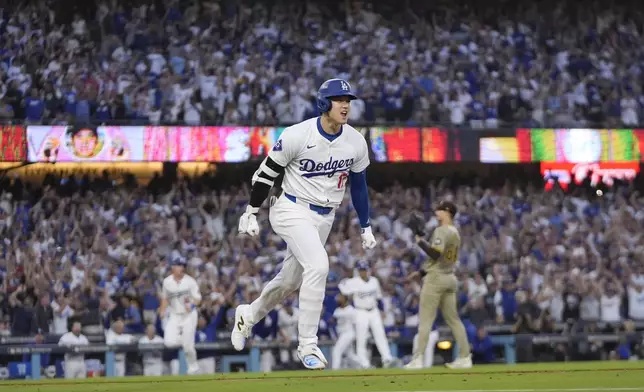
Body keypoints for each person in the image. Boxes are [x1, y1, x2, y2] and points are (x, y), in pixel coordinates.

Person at [233, 78, 376, 370]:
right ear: (325, 103)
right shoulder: (298, 134)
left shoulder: (356, 141)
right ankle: (308, 345)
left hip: (325, 217)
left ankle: (248, 315)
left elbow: (359, 186)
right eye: (339, 99)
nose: (345, 105)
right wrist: (250, 210)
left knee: (289, 282)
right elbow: (266, 174)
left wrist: (366, 225)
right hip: (290, 208)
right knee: (319, 266)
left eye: (348, 100)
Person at [404, 201, 472, 369]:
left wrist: (420, 241)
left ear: (447, 212)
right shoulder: (455, 232)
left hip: (435, 279)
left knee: (426, 320)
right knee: (454, 320)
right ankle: (465, 357)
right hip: (449, 277)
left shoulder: (441, 230)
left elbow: (435, 254)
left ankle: (418, 358)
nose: (436, 212)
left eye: (440, 209)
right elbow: (440, 259)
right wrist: (420, 272)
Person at [339, 262, 396, 368]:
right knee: (361, 338)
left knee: (380, 335)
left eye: (364, 270)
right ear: (358, 271)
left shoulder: (374, 281)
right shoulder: (353, 282)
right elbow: (342, 288)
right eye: (361, 270)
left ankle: (387, 358)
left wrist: (382, 310)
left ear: (368, 270)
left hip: (374, 311)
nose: (363, 272)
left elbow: (379, 298)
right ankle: (363, 363)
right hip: (360, 311)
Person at [159, 258, 202, 374]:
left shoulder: (190, 281)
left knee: (188, 347)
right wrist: (162, 310)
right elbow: (165, 298)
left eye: (182, 265)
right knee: (169, 342)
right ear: (173, 267)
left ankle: (193, 368)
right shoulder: (167, 282)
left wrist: (192, 305)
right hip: (174, 315)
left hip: (189, 315)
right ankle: (185, 340)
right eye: (178, 265)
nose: (181, 268)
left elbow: (198, 299)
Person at [330, 294, 361, 369]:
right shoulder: (337, 310)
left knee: (336, 351)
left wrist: (357, 336)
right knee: (350, 355)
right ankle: (365, 365)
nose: (338, 299)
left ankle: (335, 370)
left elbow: (356, 324)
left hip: (348, 333)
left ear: (345, 299)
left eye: (340, 298)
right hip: (341, 334)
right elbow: (333, 321)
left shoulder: (351, 309)